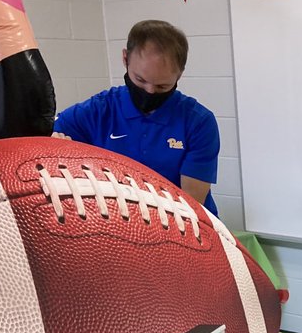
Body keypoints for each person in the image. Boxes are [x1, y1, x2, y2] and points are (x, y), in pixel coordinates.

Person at [52, 20, 222, 215]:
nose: (149, 91)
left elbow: (191, 206)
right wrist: (54, 144)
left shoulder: (198, 122)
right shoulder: (98, 111)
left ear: (180, 74)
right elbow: (41, 138)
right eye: (140, 80)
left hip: (181, 225)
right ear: (125, 59)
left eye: (162, 86)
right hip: (118, 223)